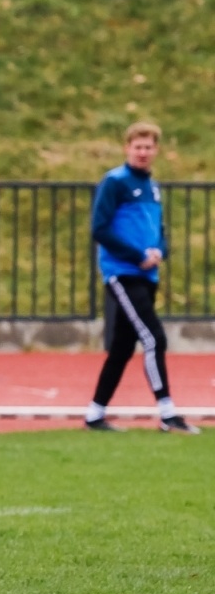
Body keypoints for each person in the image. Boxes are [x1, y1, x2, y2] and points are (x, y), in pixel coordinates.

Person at [83, 121, 199, 435]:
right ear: (127, 148)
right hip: (123, 272)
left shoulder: (153, 187)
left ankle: (95, 413)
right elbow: (100, 229)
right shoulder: (115, 182)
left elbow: (159, 231)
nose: (143, 152)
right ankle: (167, 412)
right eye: (138, 147)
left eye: (148, 147)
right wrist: (137, 256)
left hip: (148, 272)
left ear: (156, 150)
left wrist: (160, 251)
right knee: (153, 338)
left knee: (122, 346)